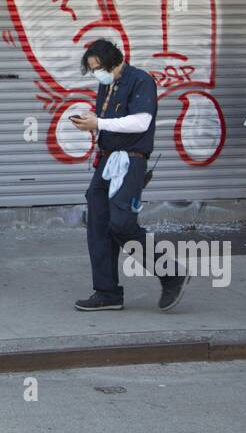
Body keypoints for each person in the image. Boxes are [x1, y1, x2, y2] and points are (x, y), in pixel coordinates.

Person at [68, 38, 189, 312]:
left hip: (131, 162)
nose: (96, 72)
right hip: (106, 163)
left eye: (98, 66)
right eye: (92, 68)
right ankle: (106, 292)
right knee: (98, 224)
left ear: (114, 61)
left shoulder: (141, 80)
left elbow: (140, 121)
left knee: (121, 224)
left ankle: (171, 273)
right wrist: (91, 119)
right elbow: (109, 121)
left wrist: (98, 122)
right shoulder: (106, 85)